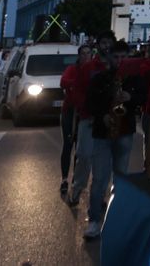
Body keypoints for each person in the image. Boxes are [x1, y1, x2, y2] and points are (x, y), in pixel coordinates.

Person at [81, 42, 142, 239]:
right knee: (99, 178)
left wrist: (130, 97)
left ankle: (116, 219)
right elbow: (90, 103)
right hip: (102, 133)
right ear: (109, 58)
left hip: (124, 131)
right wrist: (102, 116)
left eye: (123, 57)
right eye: (116, 57)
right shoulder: (100, 79)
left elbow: (142, 98)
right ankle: (94, 220)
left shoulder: (133, 79)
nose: (120, 61)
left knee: (121, 179)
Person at [61, 43, 104, 205]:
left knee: (83, 152)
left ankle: (77, 181)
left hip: (86, 112)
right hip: (72, 111)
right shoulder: (74, 69)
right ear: (79, 56)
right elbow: (64, 81)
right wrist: (76, 82)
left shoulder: (95, 70)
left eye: (88, 53)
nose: (86, 56)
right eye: (83, 53)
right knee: (69, 143)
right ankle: (65, 179)